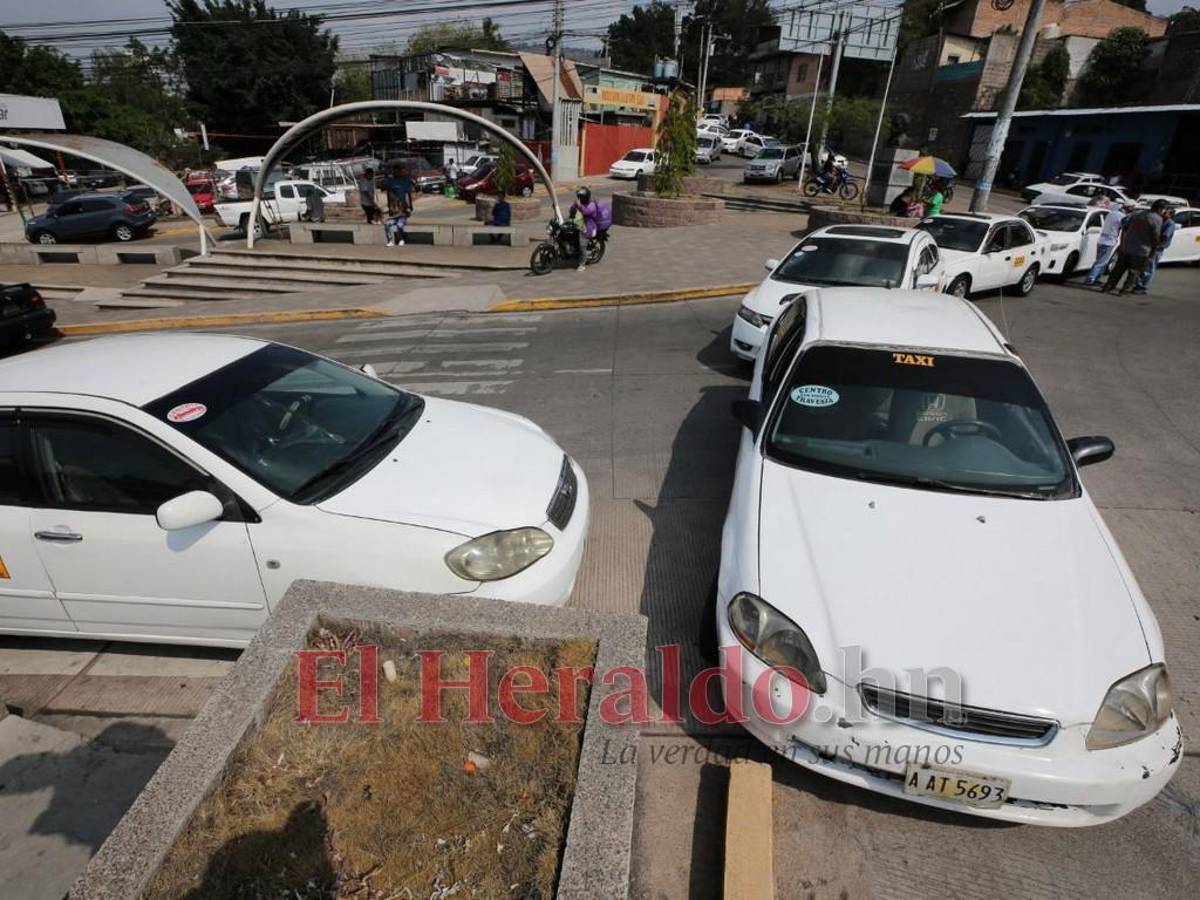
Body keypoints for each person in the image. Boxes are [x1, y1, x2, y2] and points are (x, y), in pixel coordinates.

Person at [1102, 200, 1165, 295]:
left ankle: (1108, 287)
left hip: (1127, 247)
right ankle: (1124, 291)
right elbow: (1155, 235)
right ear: (1160, 209)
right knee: (1134, 272)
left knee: (1118, 269)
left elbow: (1125, 226)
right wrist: (1154, 248)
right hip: (1142, 250)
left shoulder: (1137, 214)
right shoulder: (1157, 219)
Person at [1085, 202, 1133, 285]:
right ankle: (1091, 279)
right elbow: (1125, 227)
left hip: (1102, 240)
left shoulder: (1112, 213)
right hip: (1109, 241)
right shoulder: (1122, 216)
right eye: (1132, 207)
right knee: (1101, 261)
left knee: (1102, 261)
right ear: (1128, 207)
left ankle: (1096, 278)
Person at [1134, 205, 1175, 294]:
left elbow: (1164, 236)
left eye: (1166, 211)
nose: (1163, 212)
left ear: (1170, 214)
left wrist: (1155, 241)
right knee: (1143, 266)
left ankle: (1142, 286)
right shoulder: (1160, 220)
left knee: (1149, 268)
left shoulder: (1169, 223)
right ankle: (1138, 284)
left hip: (1157, 248)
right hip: (1149, 246)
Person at [568, 187, 600, 272]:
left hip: (588, 227)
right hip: (578, 224)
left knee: (582, 245)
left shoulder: (591, 205)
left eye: (581, 197)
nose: (580, 198)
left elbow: (586, 212)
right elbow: (571, 213)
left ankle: (582, 264)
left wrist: (579, 206)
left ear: (586, 197)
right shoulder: (579, 204)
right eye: (579, 196)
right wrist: (573, 207)